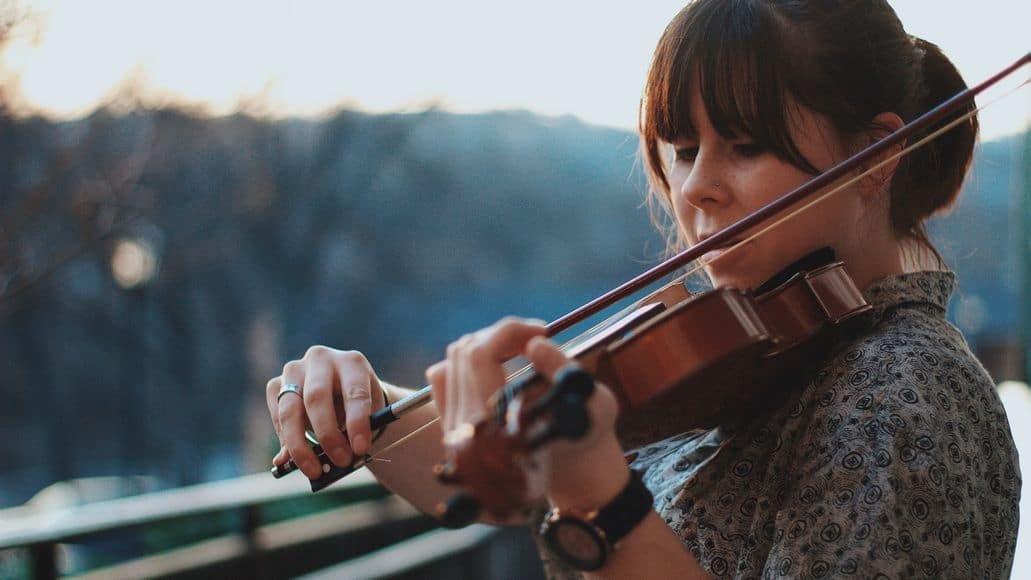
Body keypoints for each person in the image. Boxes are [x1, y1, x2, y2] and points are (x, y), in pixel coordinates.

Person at [266, 0, 1021, 577]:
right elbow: (485, 480)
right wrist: (370, 409)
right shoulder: (759, 353)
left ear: (870, 156)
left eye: (745, 146)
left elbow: (593, 502)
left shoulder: (905, 392)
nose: (696, 190)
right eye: (683, 149)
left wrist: (602, 503)